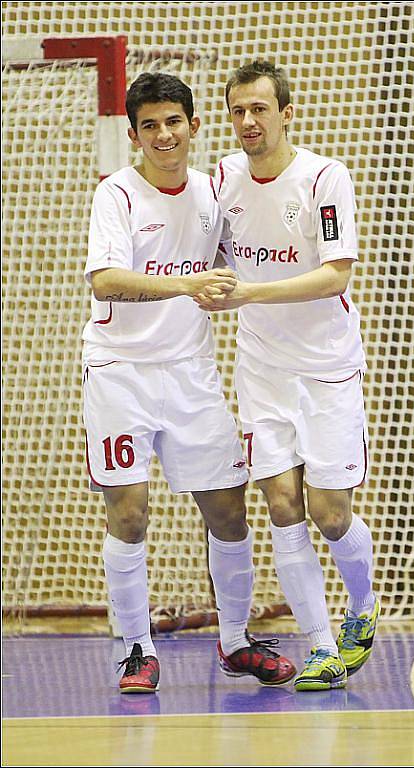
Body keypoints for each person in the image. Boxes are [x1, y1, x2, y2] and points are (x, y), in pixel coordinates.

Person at [82, 72, 296, 693]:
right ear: (134, 135)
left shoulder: (212, 193)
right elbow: (106, 281)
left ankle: (235, 643)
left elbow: (246, 256)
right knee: (129, 513)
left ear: (195, 126)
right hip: (119, 373)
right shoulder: (117, 196)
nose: (163, 134)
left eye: (173, 121)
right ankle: (135, 650)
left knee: (229, 511)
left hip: (191, 374)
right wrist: (187, 284)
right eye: (149, 125)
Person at [195, 60, 380, 692]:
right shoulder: (222, 178)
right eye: (238, 111)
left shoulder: (325, 178)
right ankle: (323, 648)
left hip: (327, 372)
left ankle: (362, 606)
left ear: (286, 112)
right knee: (280, 505)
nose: (248, 122)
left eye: (260, 109)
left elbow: (336, 274)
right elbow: (211, 250)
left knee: (330, 514)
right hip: (261, 374)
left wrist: (248, 293)